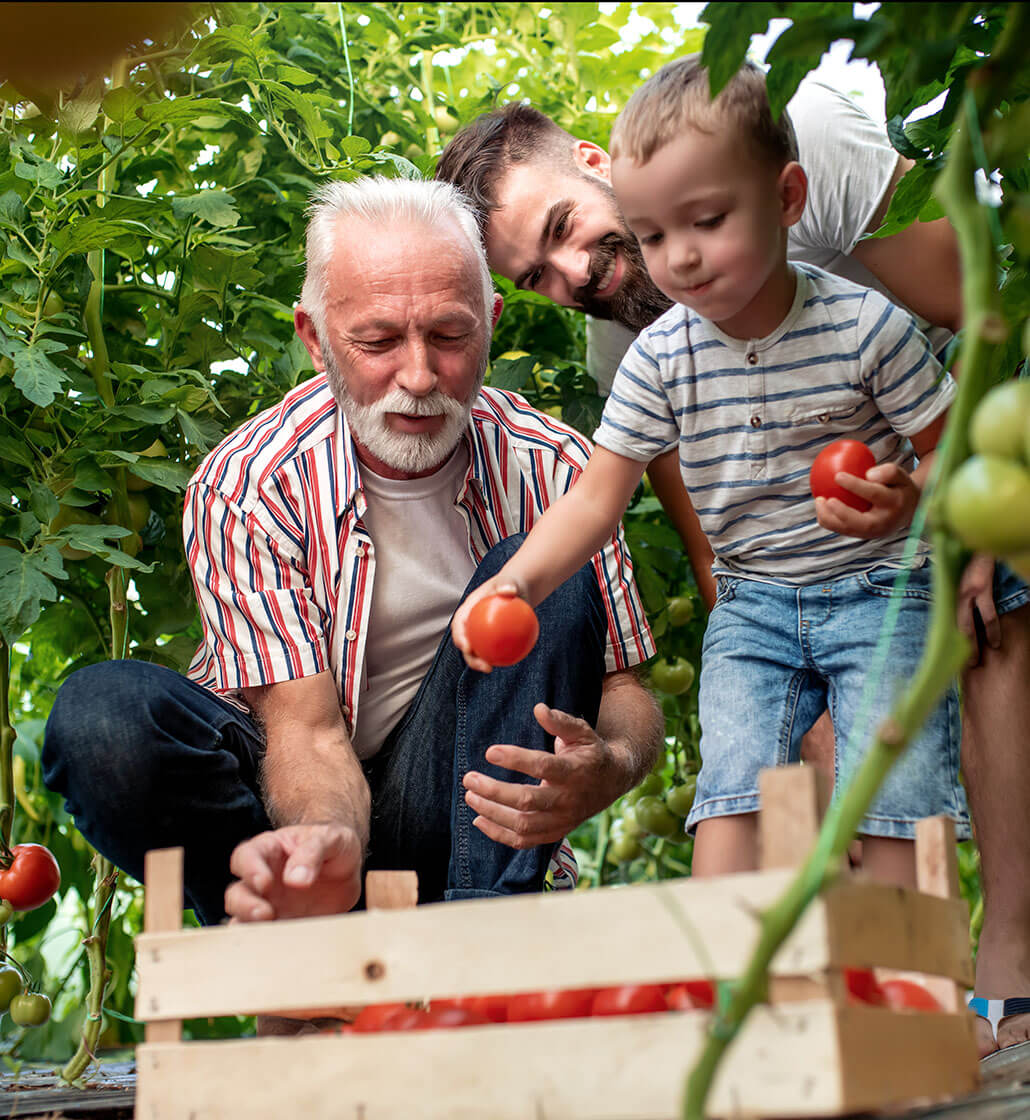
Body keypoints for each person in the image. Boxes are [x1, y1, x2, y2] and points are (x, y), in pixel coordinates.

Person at [436, 70, 1030, 1058]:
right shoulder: (636, 354)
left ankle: (991, 972)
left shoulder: (811, 162)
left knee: (986, 610)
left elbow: (990, 318)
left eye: (561, 232)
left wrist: (956, 520)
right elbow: (702, 542)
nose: (571, 275)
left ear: (595, 167)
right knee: (749, 784)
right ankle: (744, 998)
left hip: (965, 420)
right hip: (794, 569)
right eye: (534, 276)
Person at [41, 177, 663, 1027]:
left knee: (535, 572)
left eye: (450, 335)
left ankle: (480, 972)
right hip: (296, 796)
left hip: (461, 809)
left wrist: (613, 766)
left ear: (492, 325)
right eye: (376, 340)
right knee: (103, 719)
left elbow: (626, 694)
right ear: (314, 338)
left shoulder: (558, 469)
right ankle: (295, 947)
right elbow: (305, 730)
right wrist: (325, 845)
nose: (419, 375)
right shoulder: (250, 481)